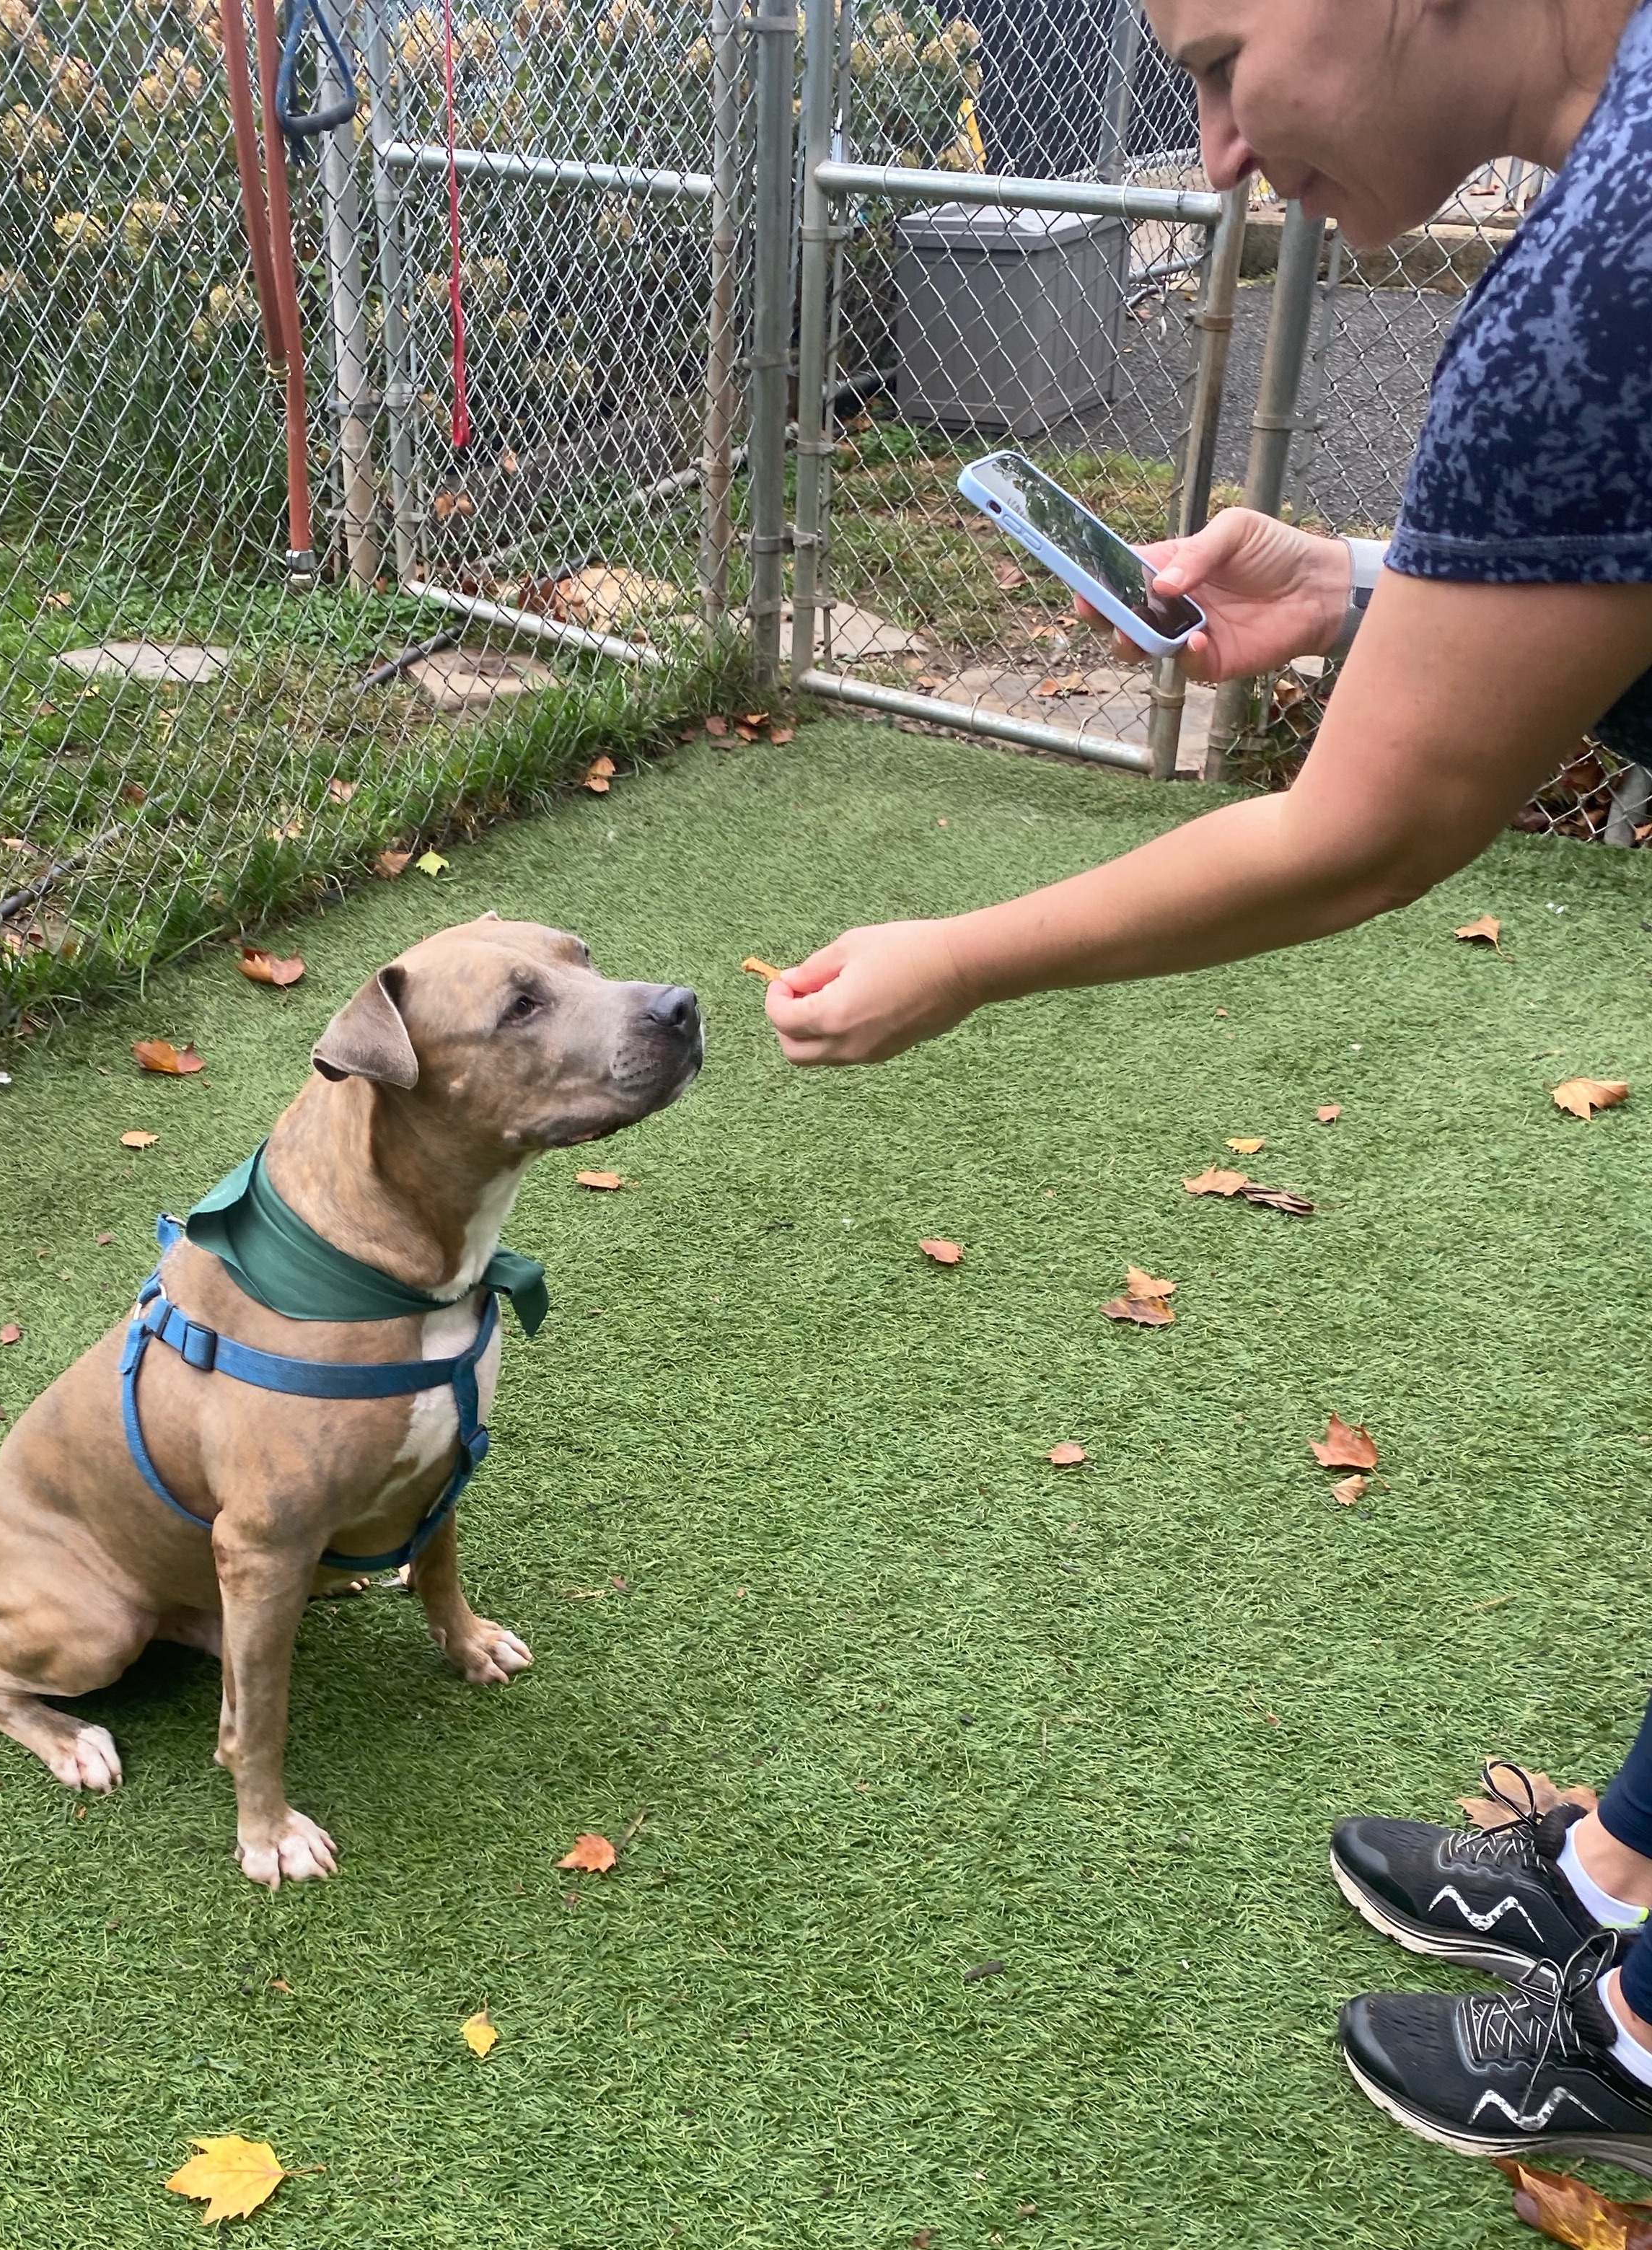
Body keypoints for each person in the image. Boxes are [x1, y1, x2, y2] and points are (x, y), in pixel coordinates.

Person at [767, 0, 1652, 2176]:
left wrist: (960, 957)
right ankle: (1619, 1877)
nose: (1216, 152)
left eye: (1222, 55)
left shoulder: (1608, 263)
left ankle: (1639, 2043)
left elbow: (1361, 829)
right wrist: (1368, 576)